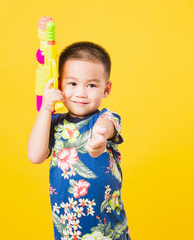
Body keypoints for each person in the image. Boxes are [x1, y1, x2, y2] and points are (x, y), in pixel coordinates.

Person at [28, 42, 130, 240]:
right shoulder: (54, 124)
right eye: (72, 84)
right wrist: (46, 110)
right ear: (59, 85)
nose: (81, 93)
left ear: (106, 89)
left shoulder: (106, 118)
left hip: (109, 231)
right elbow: (35, 156)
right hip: (69, 231)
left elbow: (106, 125)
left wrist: (100, 136)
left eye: (91, 85)